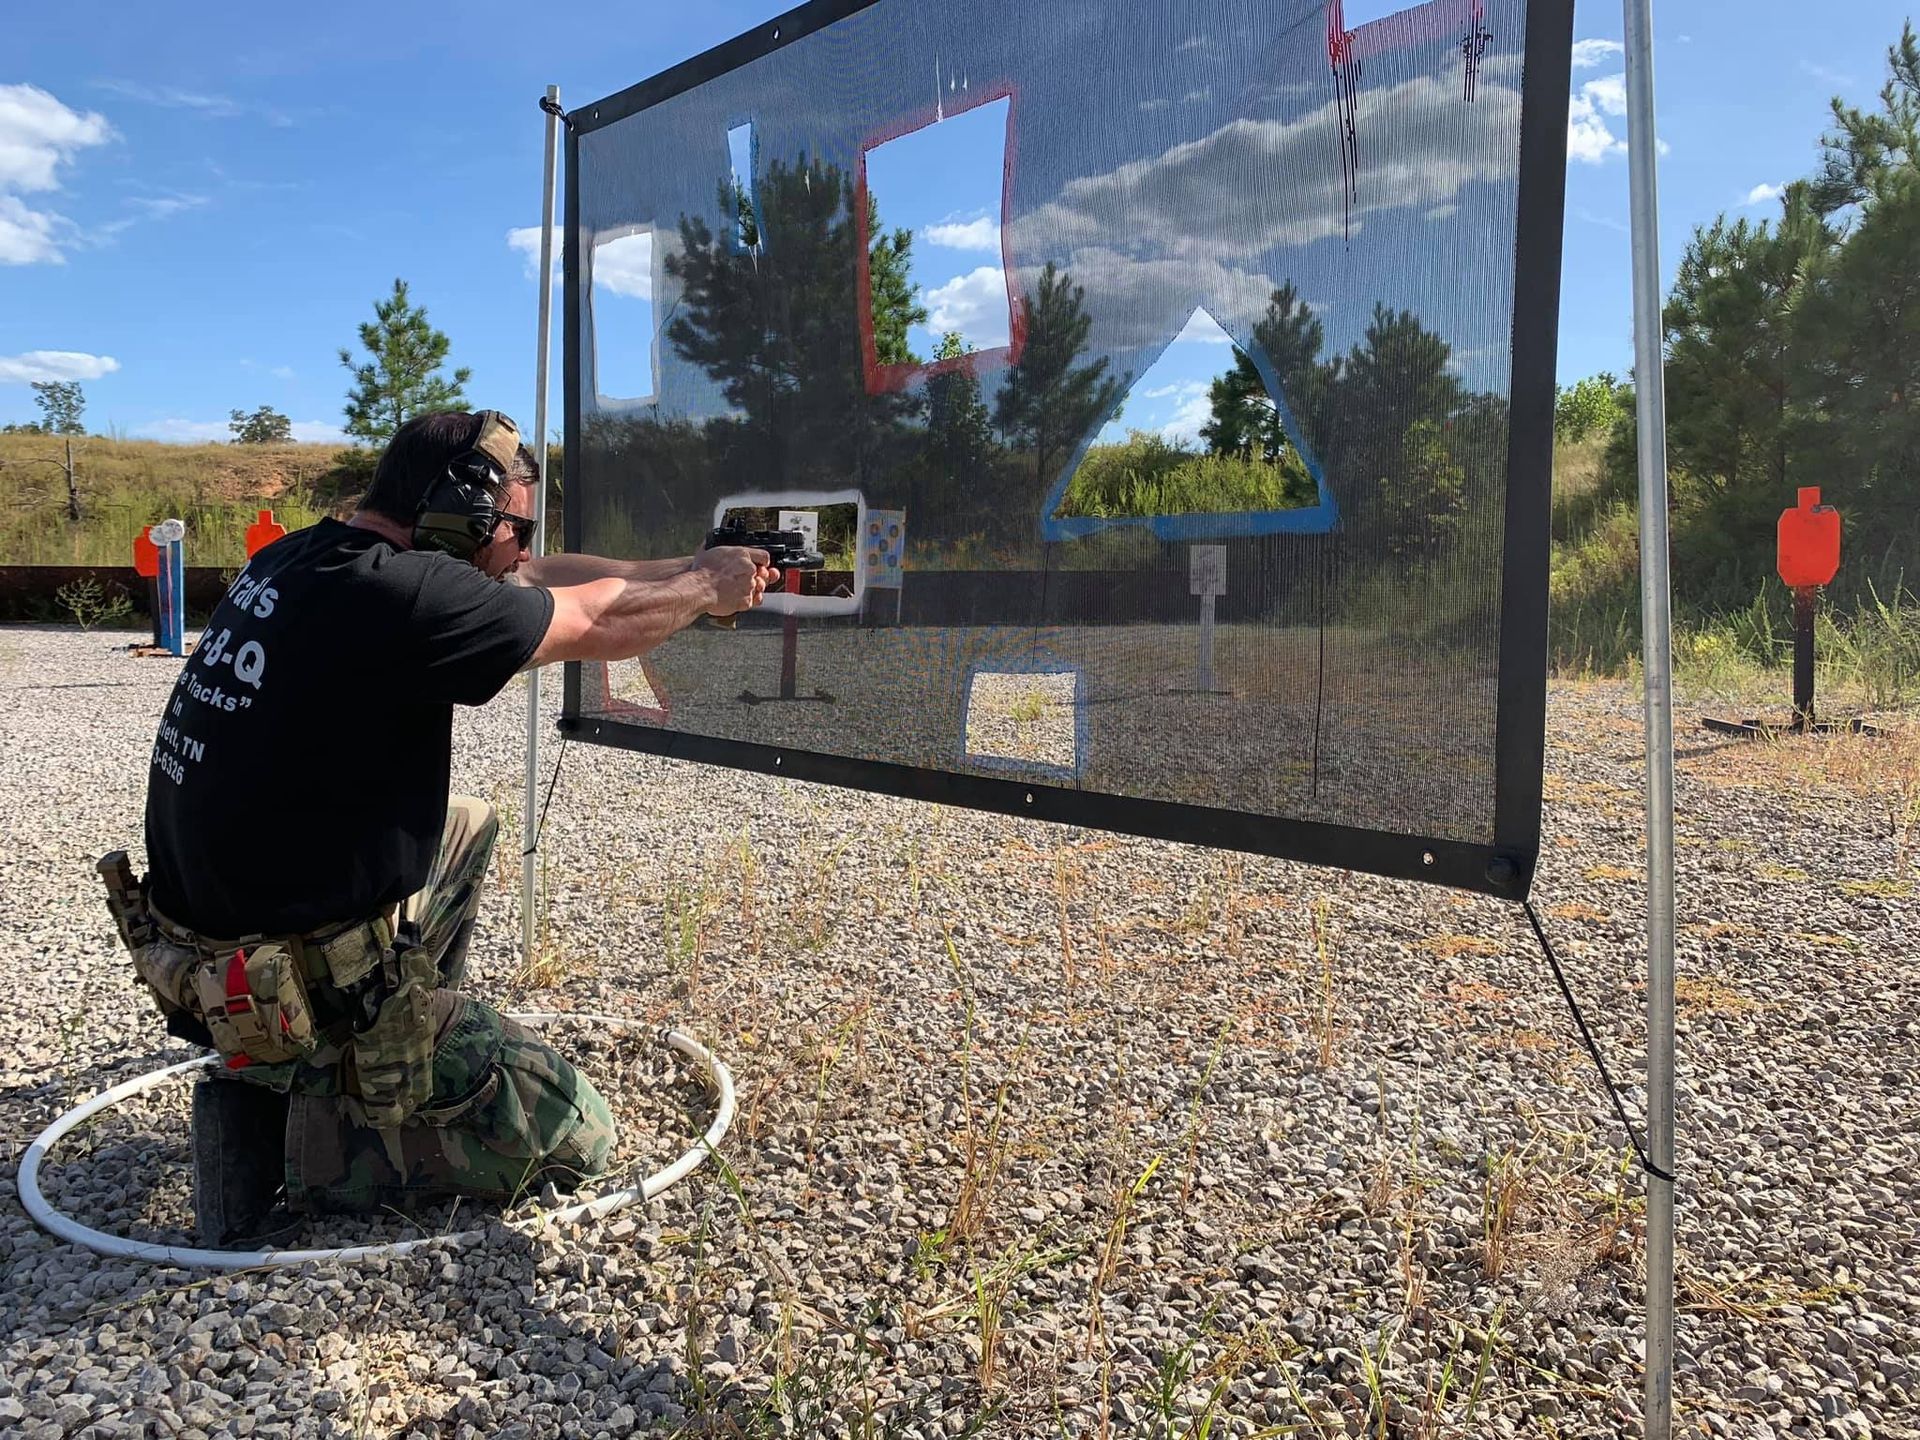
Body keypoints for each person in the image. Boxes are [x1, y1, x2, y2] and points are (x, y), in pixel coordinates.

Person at [107, 408, 774, 1243]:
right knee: (579, 1132)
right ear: (462, 510)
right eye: (516, 527)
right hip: (277, 985)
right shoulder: (407, 598)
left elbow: (540, 578)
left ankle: (396, 1036)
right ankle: (292, 1136)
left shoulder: (303, 557)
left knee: (467, 823)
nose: (524, 549)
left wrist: (691, 564)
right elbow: (599, 621)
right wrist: (707, 590)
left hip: (206, 945)